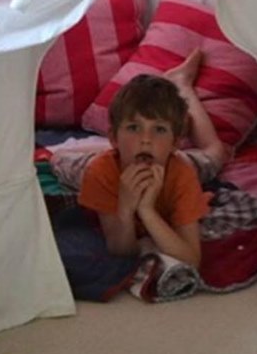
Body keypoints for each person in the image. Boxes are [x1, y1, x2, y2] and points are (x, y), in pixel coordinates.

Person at [77, 49, 226, 269]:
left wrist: (147, 211)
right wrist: (125, 208)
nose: (146, 140)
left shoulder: (183, 174)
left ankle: (182, 84)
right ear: (114, 138)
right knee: (62, 164)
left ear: (175, 143)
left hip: (179, 162)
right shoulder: (101, 172)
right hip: (101, 162)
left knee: (215, 152)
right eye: (133, 128)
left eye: (159, 129)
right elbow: (120, 250)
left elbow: (191, 258)